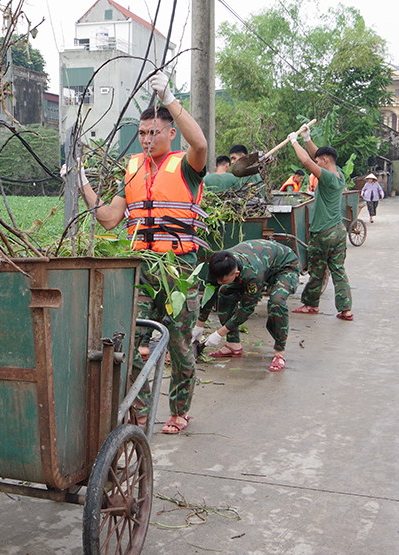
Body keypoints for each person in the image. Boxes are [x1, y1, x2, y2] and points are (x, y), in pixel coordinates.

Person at [74, 70, 207, 434]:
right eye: (143, 133)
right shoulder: (132, 170)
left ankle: (180, 411)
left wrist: (169, 99)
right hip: (142, 267)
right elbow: (109, 219)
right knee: (129, 340)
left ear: (170, 133)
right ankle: (141, 410)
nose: (147, 139)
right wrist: (82, 182)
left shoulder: (187, 165)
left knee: (179, 344)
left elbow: (202, 144)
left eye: (154, 132)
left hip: (179, 267)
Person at [201, 240, 299, 372]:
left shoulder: (252, 275)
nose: (219, 282)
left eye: (222, 280)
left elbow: (246, 309)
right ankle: (233, 345)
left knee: (276, 302)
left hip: (285, 266)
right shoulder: (220, 265)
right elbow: (210, 293)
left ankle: (279, 353)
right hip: (263, 264)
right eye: (217, 279)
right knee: (224, 293)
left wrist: (219, 333)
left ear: (236, 274)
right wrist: (199, 326)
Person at [287, 126, 353, 321]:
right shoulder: (339, 173)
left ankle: (310, 305)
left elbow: (307, 160)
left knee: (317, 271)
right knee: (338, 270)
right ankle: (346, 309)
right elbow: (316, 155)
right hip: (339, 232)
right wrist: (307, 138)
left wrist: (294, 142)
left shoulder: (328, 178)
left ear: (324, 162)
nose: (317, 162)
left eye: (319, 161)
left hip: (323, 233)